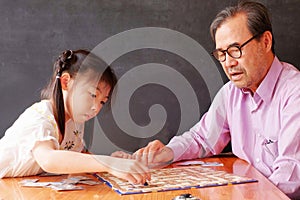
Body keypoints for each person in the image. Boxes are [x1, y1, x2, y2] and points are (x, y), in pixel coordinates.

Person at [112, 1, 300, 198]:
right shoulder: (231, 93)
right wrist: (166, 153)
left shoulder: (294, 92)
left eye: (236, 49)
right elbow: (202, 138)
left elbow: (291, 175)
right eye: (222, 54)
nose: (229, 63)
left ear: (266, 42)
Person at [0, 49, 150, 184]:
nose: (96, 108)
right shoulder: (40, 117)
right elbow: (48, 159)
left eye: (102, 102)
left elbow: (79, 157)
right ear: (66, 82)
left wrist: (114, 161)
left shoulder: (75, 121)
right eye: (92, 95)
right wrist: (108, 163)